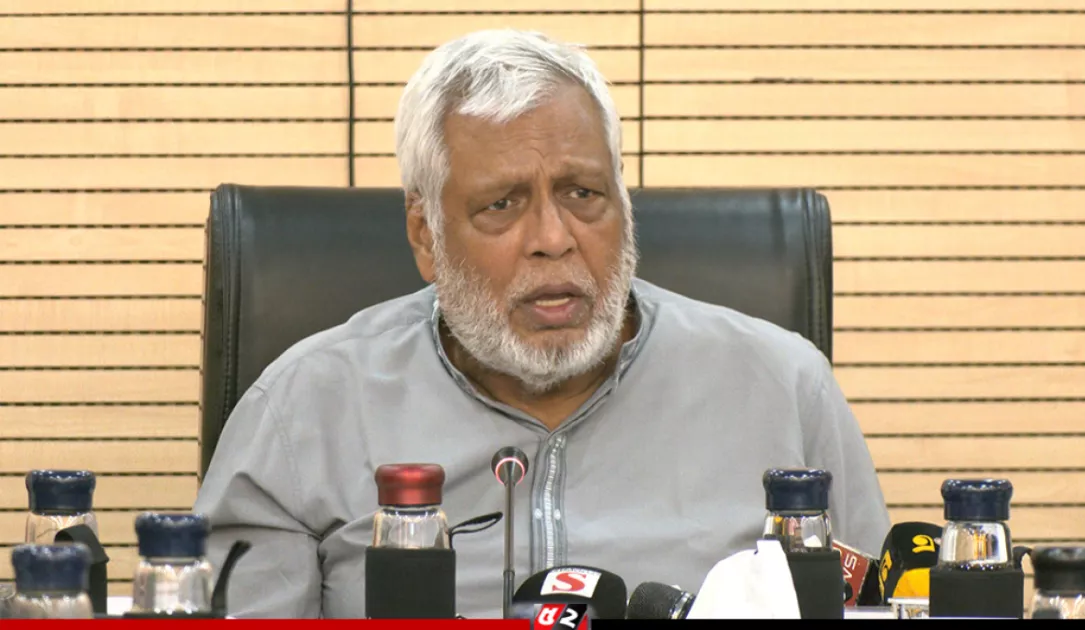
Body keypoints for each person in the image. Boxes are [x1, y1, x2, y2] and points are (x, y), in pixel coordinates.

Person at [193, 29, 891, 619]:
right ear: (426, 233)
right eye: (501, 204)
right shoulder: (300, 413)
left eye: (582, 193)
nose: (553, 239)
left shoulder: (784, 390)